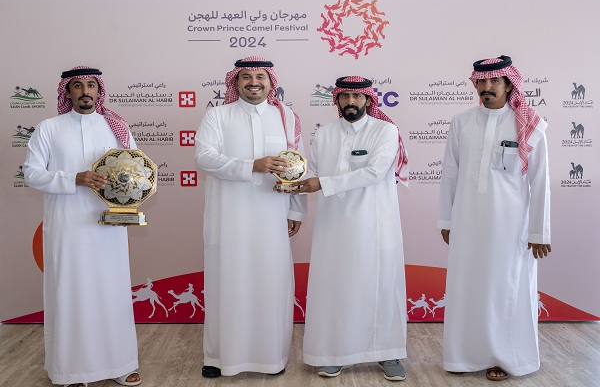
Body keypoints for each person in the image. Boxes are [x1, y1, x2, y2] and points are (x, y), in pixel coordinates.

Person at [23, 66, 141, 387]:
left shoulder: (116, 127)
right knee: (71, 292)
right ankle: (73, 371)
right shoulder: (49, 128)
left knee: (112, 290)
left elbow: (136, 169)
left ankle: (120, 363)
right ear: (67, 91)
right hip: (68, 225)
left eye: (91, 85)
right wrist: (73, 178)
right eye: (78, 85)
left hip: (109, 224)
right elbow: (32, 173)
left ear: (99, 91)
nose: (85, 91)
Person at [286, 76, 409, 381]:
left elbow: (375, 172)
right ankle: (333, 353)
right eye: (345, 96)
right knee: (334, 288)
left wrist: (323, 183)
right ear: (337, 100)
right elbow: (312, 174)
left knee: (380, 286)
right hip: (333, 226)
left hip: (374, 225)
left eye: (356, 96)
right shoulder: (324, 134)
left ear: (368, 99)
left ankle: (388, 352)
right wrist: (296, 192)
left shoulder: (385, 131)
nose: (350, 102)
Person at [437, 55, 551, 382]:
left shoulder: (530, 125)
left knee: (505, 289)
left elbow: (540, 180)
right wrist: (446, 220)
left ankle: (504, 356)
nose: (487, 87)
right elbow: (449, 173)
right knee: (467, 287)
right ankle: (463, 356)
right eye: (481, 81)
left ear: (509, 85)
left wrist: (539, 232)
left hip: (511, 226)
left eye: (494, 81)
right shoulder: (462, 122)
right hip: (467, 220)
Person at [194, 56, 307, 377]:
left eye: (260, 77)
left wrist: (296, 208)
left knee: (270, 283)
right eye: (246, 77)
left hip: (272, 216)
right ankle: (219, 358)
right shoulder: (218, 115)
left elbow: (299, 165)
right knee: (227, 283)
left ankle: (270, 358)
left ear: (271, 83)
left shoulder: (286, 117)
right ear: (236, 82)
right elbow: (204, 156)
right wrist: (251, 165)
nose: (254, 82)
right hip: (228, 218)